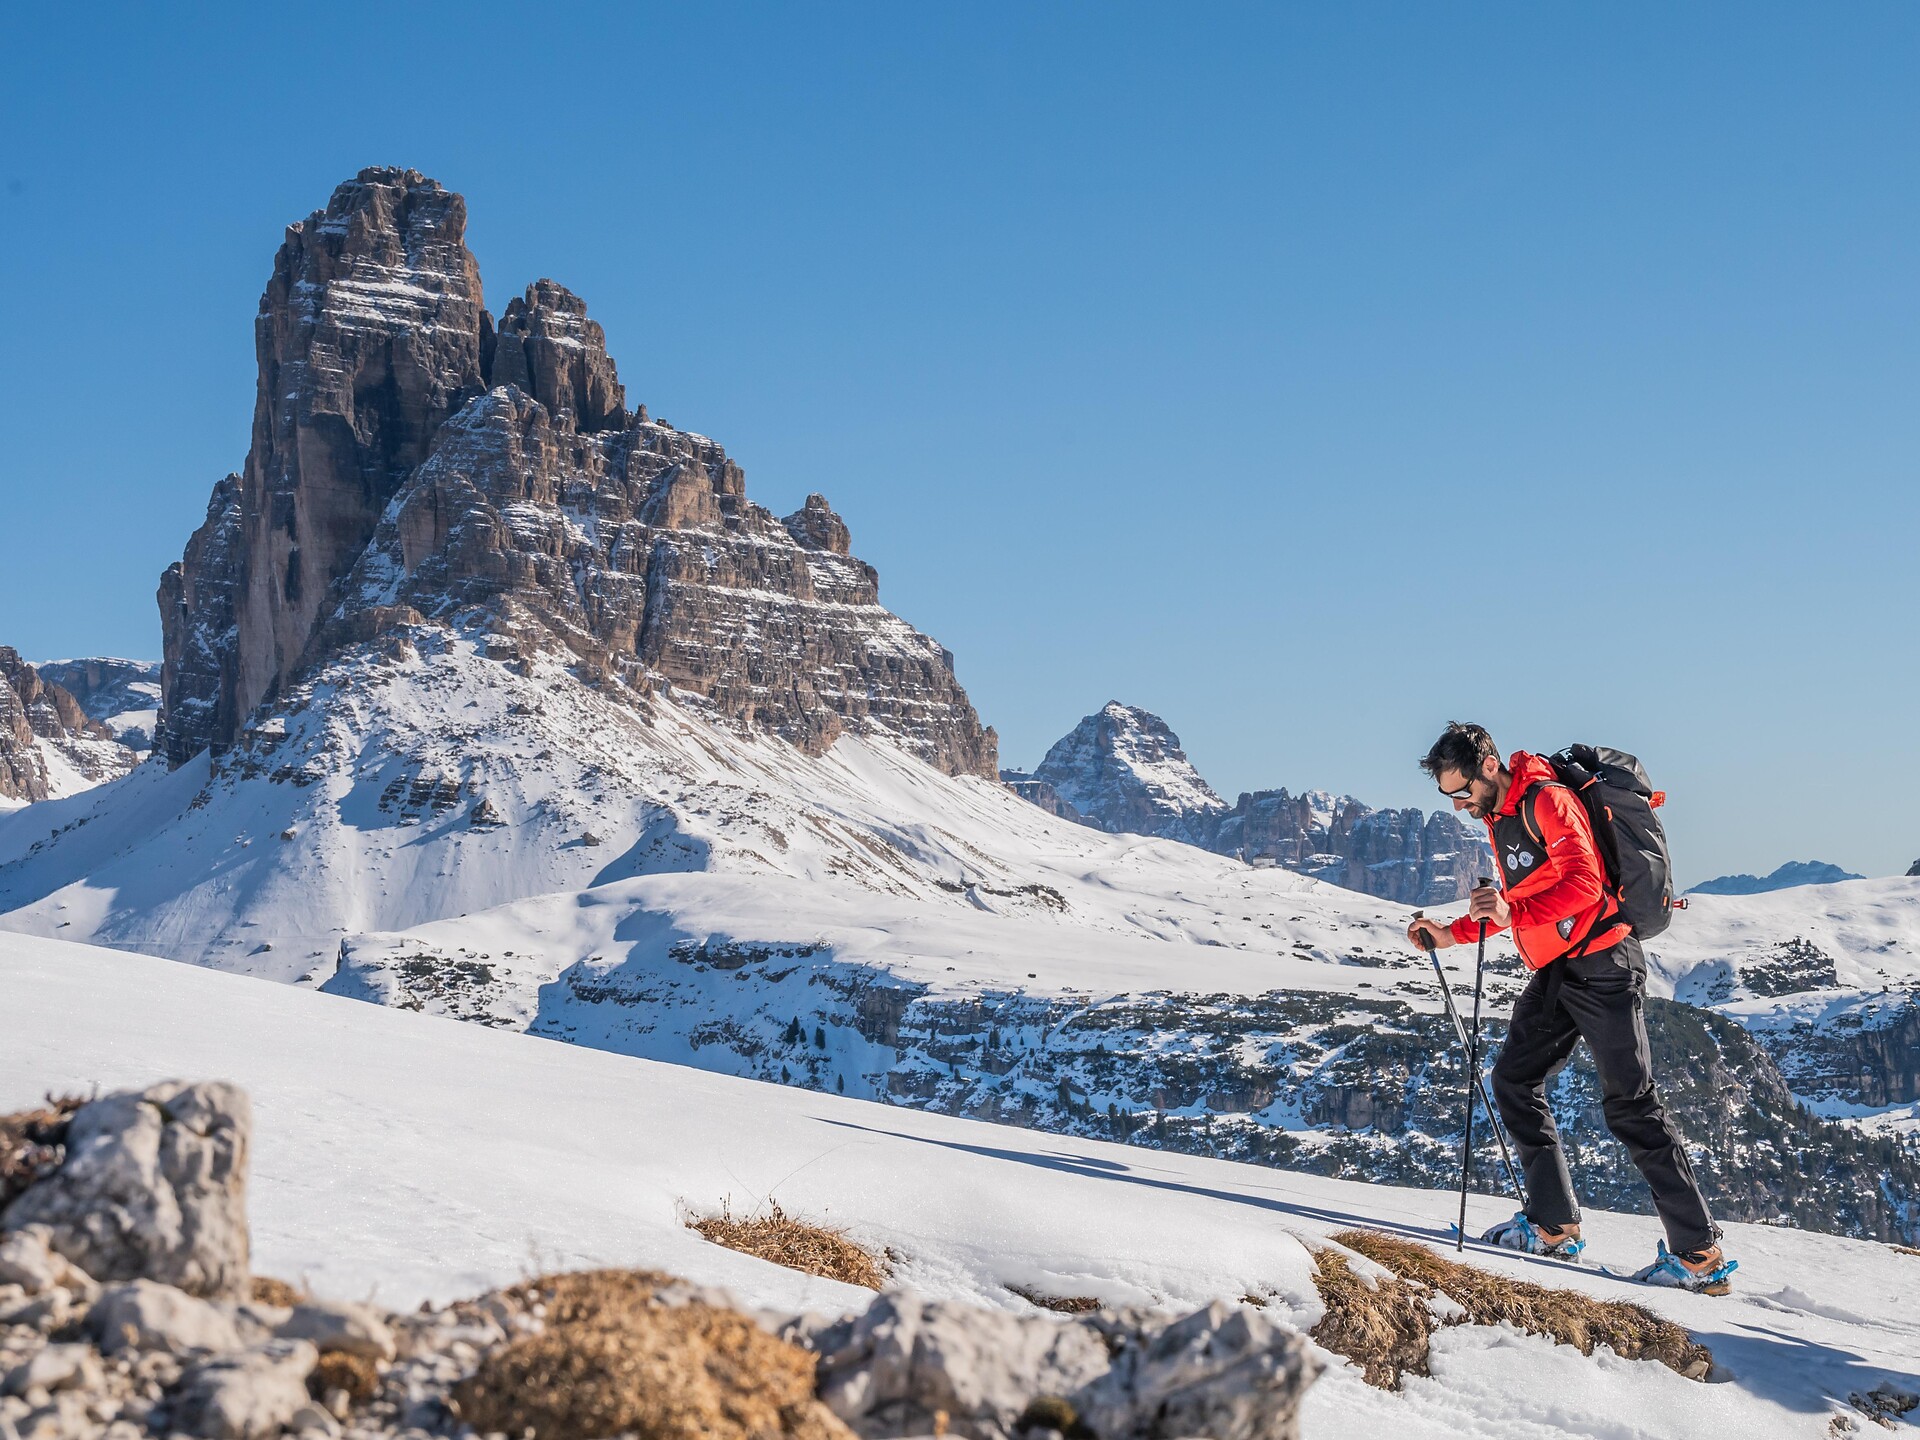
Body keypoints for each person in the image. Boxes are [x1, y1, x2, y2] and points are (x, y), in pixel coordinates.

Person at [1406, 721, 1736, 1294]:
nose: (1458, 804)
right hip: (1559, 971)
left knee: (1631, 1106)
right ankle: (1554, 1225)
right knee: (1513, 1080)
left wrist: (1510, 916)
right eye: (1448, 795)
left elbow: (1585, 885)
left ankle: (1699, 1256)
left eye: (1462, 790)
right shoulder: (1500, 817)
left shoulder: (1546, 801)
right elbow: (1515, 903)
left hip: (1606, 966)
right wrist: (1449, 933)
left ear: (1489, 766)